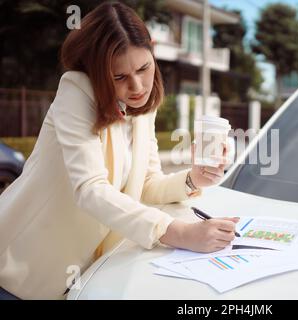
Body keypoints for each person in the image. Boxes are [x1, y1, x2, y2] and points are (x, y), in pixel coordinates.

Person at [0, 2, 238, 300]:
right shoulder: (76, 90)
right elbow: (90, 189)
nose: (138, 86)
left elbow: (147, 185)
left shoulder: (141, 110)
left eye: (143, 68)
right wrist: (178, 232)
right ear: (97, 72)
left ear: (153, 52)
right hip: (19, 273)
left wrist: (192, 179)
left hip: (82, 280)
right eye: (119, 77)